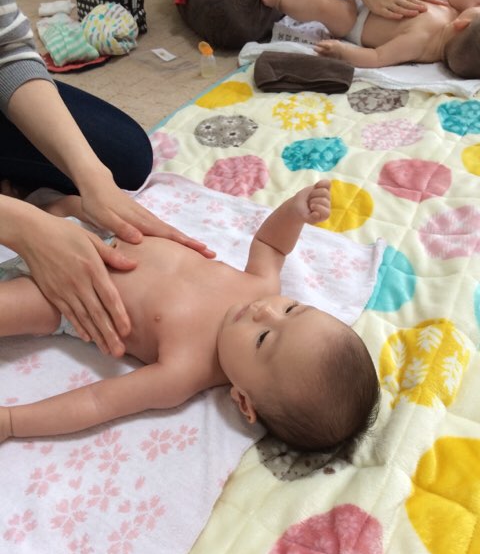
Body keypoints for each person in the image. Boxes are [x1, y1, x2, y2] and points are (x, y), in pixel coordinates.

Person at [0, 181, 380, 453]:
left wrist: (14, 422)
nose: (265, 310)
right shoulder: (262, 286)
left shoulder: (184, 372)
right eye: (291, 309)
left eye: (263, 338)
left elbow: (99, 401)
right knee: (68, 199)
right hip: (96, 233)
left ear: (243, 401)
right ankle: (37, 202)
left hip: (66, 298)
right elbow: (271, 244)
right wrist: (295, 212)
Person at [0, 0, 214, 359]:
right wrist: (22, 226)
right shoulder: (190, 362)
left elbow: (7, 49)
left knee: (125, 157)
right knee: (31, 305)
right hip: (58, 291)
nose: (266, 312)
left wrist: (92, 175)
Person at [262, 0, 480, 74]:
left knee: (325, 7)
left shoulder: (420, 42)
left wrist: (343, 52)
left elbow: (377, 57)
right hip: (381, 1)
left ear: (462, 25)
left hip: (356, 21)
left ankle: (280, 1)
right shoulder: (454, 13)